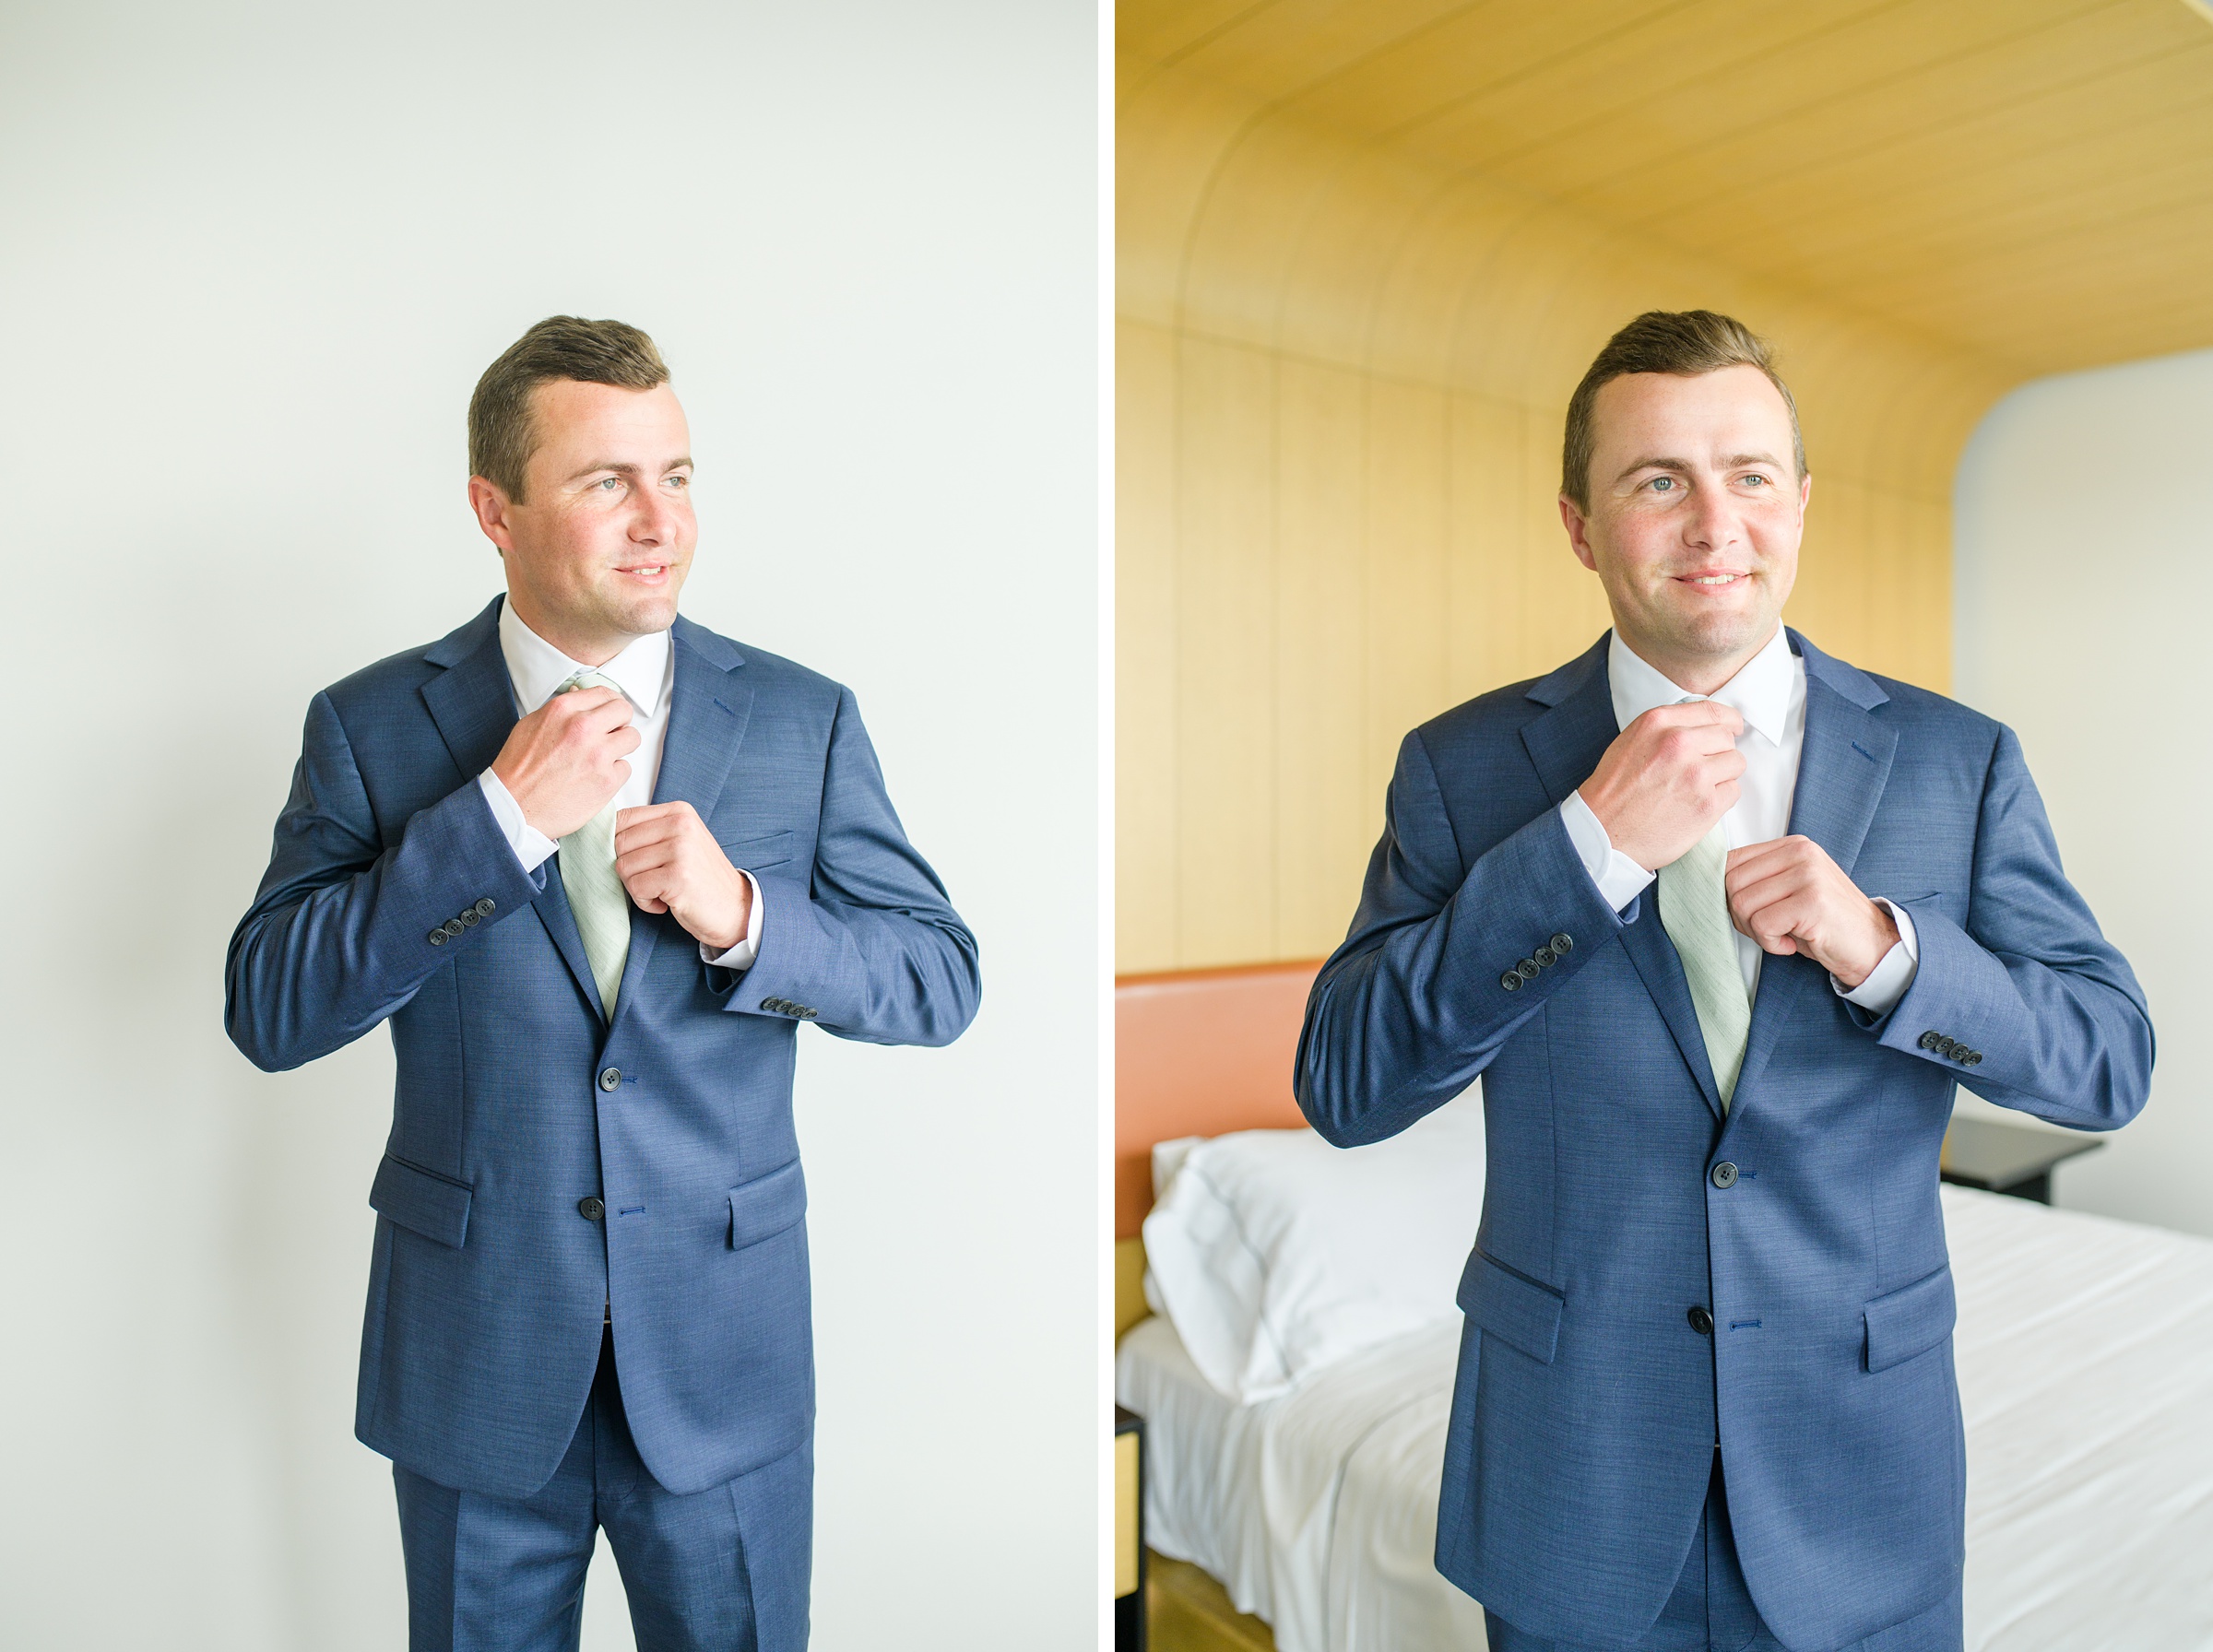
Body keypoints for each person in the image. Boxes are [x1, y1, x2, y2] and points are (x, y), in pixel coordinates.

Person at [1294, 310, 2150, 1652]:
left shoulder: (1955, 761)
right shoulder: (1464, 772)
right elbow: (1343, 1085)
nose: (1714, 524)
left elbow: (2109, 1060)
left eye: (1749, 475)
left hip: (1860, 1480)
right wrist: (1580, 853)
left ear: (1800, 504)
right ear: (1579, 523)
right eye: (1658, 481)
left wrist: (1889, 953)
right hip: (1573, 1484)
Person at [226, 315, 979, 1651]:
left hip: (722, 1363)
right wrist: (497, 823)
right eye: (606, 482)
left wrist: (749, 914)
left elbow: (936, 977)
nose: (662, 524)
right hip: (478, 1362)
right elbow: (273, 1009)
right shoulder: (371, 727)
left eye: (678, 476)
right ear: (493, 510)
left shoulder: (803, 720)